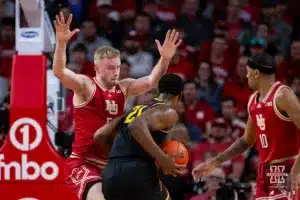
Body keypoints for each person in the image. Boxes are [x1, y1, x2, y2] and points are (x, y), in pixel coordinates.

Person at [53, 12, 182, 200]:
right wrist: (62, 43)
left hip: (112, 163)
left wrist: (165, 59)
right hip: (84, 162)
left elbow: (152, 80)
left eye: (118, 67)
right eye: (110, 68)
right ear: (96, 68)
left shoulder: (125, 87)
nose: (116, 72)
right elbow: (59, 71)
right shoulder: (85, 85)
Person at [192, 52, 300, 199]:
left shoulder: (283, 95)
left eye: (248, 73)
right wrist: (214, 162)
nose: (246, 76)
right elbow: (246, 141)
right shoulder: (253, 101)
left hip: (288, 167)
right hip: (265, 171)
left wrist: (295, 171)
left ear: (256, 73)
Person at [94, 74, 185, 200]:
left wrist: (118, 158)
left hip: (111, 173)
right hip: (138, 172)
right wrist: (162, 158)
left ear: (159, 91)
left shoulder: (134, 109)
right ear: (179, 95)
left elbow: (100, 135)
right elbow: (136, 126)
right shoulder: (168, 112)